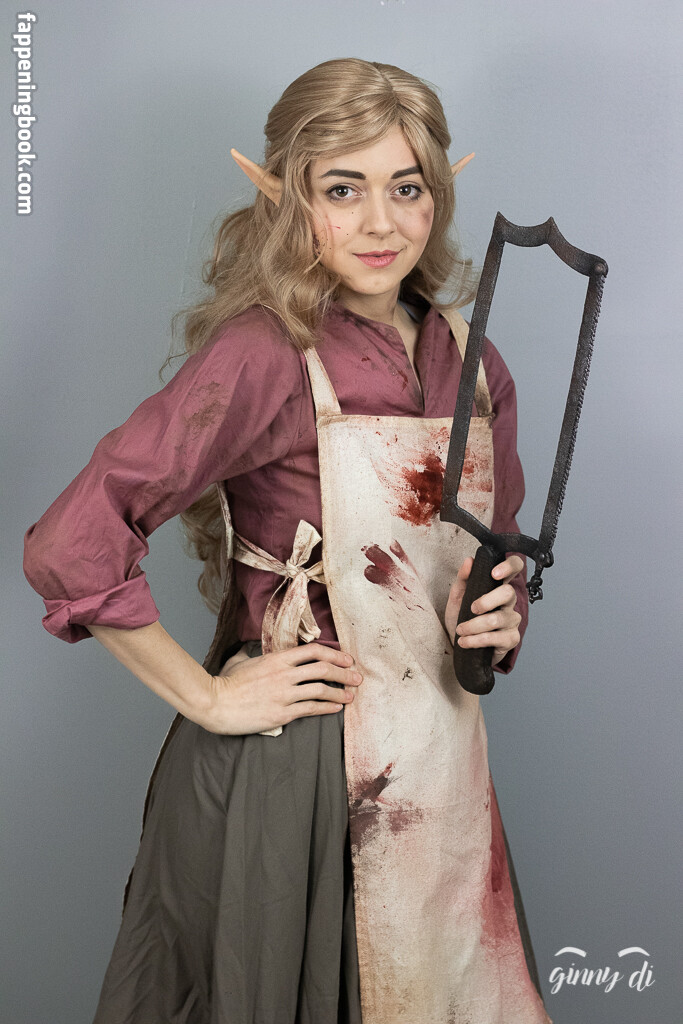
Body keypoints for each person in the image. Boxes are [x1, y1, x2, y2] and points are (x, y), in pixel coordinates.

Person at [23, 58, 552, 1024]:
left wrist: (495, 614)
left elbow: (498, 552)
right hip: (296, 771)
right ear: (285, 196)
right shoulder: (265, 351)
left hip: (437, 765)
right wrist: (209, 697)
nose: (380, 223)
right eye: (341, 190)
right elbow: (73, 541)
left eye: (406, 188)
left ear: (439, 192)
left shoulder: (474, 364)